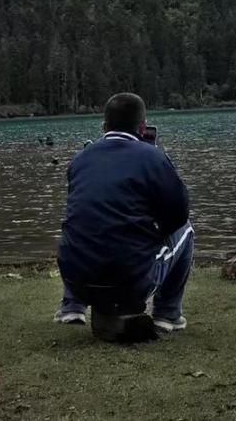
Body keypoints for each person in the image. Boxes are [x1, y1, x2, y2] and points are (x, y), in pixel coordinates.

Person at [53, 92, 193, 333]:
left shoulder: (80, 159)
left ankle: (71, 307)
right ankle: (167, 314)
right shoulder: (153, 157)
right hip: (131, 285)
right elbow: (178, 214)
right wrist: (152, 230)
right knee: (186, 230)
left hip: (77, 281)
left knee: (85, 223)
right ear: (143, 126)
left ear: (104, 126)